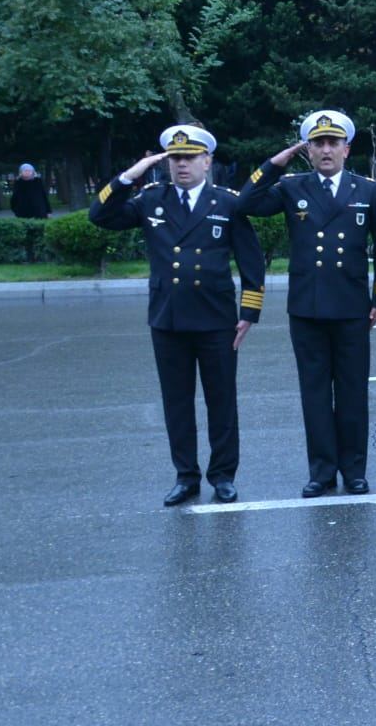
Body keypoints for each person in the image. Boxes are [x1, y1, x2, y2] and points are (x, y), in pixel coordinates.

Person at [90, 125, 265, 505]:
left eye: (189, 158)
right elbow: (99, 215)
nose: (181, 165)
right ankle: (186, 477)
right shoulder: (151, 200)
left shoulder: (228, 203)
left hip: (218, 319)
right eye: (174, 159)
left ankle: (223, 476)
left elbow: (252, 262)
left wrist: (249, 311)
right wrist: (129, 175)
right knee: (177, 403)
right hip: (168, 319)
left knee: (222, 401)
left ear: (207, 161)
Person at [236, 110, 376, 498]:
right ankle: (322, 471)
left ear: (347, 148)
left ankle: (354, 470)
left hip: (351, 306)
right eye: (318, 143)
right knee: (314, 392)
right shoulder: (292, 187)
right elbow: (246, 203)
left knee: (353, 391)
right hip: (307, 308)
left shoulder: (367, 190)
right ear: (308, 149)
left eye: (333, 143)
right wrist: (275, 163)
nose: (326, 150)